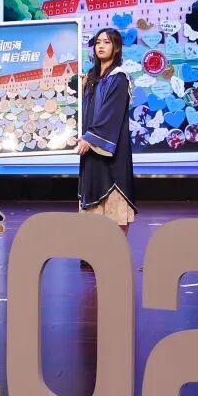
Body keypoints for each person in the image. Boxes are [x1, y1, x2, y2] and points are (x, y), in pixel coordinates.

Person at [77, 28, 136, 250]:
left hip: (111, 150)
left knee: (114, 203)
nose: (101, 46)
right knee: (93, 202)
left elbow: (110, 114)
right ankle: (93, 252)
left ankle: (114, 252)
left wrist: (90, 139)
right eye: (98, 42)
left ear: (116, 47)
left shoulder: (119, 78)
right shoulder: (91, 78)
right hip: (90, 151)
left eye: (107, 42)